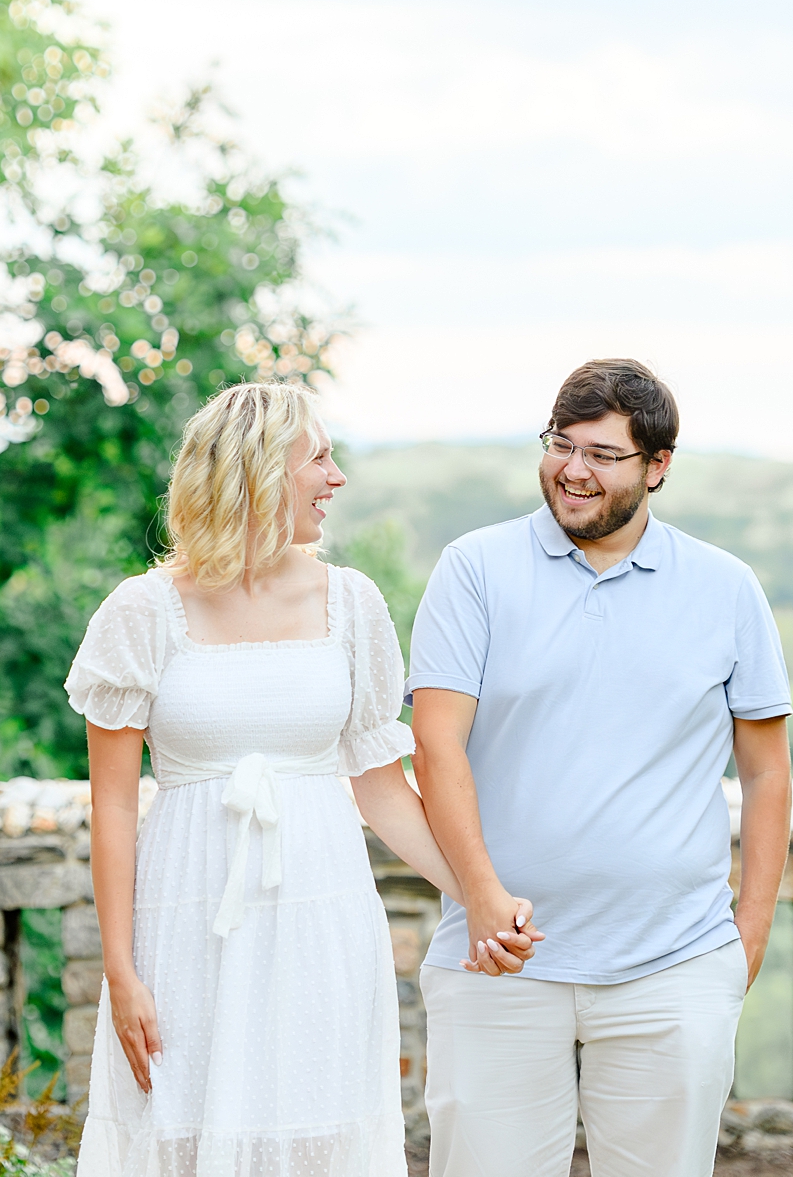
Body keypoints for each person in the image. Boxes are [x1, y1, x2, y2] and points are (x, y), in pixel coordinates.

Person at [67, 381, 542, 1177]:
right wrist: (121, 969)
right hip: (185, 928)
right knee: (179, 1136)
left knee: (318, 1137)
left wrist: (481, 895)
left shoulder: (352, 604)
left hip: (321, 925)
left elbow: (382, 786)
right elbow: (112, 805)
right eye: (319, 457)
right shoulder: (139, 613)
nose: (336, 478)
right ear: (257, 471)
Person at [408, 358, 793, 1177]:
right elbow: (437, 748)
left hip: (676, 964)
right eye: (560, 444)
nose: (573, 471)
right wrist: (481, 899)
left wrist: (746, 937)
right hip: (495, 962)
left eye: (603, 454)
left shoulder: (727, 588)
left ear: (657, 466)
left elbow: (765, 774)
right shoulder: (473, 568)